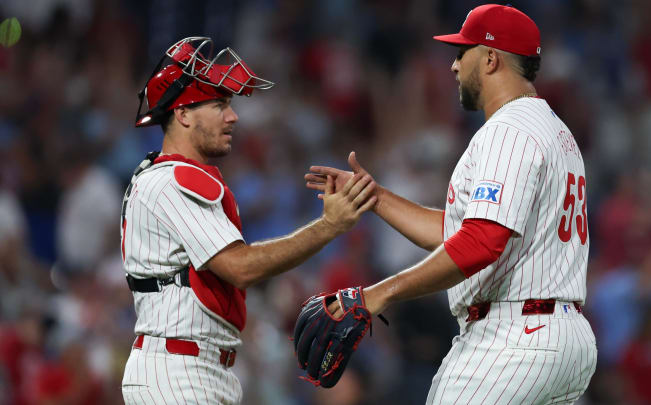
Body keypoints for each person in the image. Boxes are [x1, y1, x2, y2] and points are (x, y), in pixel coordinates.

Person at [305, 4, 597, 404]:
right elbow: (463, 233)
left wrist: (377, 294)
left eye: (463, 52)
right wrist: (375, 197)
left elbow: (481, 241)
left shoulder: (508, 129)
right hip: (559, 338)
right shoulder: (552, 130)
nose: (453, 66)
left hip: (513, 338)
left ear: (491, 59)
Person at [120, 37, 376, 404]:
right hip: (177, 370)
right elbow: (241, 267)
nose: (233, 115)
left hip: (197, 368)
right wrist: (328, 226)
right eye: (219, 104)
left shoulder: (165, 177)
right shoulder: (171, 181)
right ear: (183, 114)